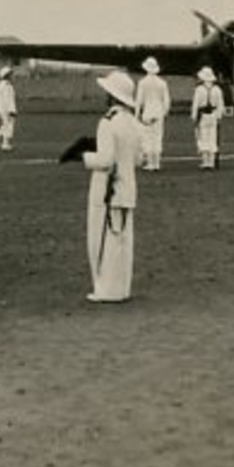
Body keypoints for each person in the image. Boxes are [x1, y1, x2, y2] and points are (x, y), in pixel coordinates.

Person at [83, 70, 143, 302]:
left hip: (107, 188)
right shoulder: (133, 123)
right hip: (127, 187)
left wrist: (85, 157)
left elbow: (105, 161)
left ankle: (106, 290)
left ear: (112, 96)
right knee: (122, 241)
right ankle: (120, 289)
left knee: (102, 240)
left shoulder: (107, 122)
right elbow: (139, 159)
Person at [135, 56, 171, 171]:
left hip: (148, 112)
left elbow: (139, 100)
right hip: (158, 112)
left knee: (148, 137)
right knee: (157, 137)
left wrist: (136, 114)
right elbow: (166, 100)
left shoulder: (142, 82)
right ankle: (156, 163)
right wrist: (164, 112)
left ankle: (150, 163)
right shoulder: (162, 83)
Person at [190, 67, 225, 170]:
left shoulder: (199, 89)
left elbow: (195, 104)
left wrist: (194, 116)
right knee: (212, 137)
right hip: (213, 115)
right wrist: (219, 116)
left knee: (203, 137)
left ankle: (206, 161)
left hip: (203, 116)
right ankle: (211, 161)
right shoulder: (217, 89)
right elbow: (220, 104)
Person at [0, 66, 18, 152]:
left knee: (5, 125)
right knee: (8, 126)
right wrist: (11, 110)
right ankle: (5, 144)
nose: (13, 76)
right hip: (6, 109)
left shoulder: (2, 84)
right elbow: (8, 99)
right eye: (11, 74)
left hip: (2, 108)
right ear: (7, 75)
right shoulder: (7, 85)